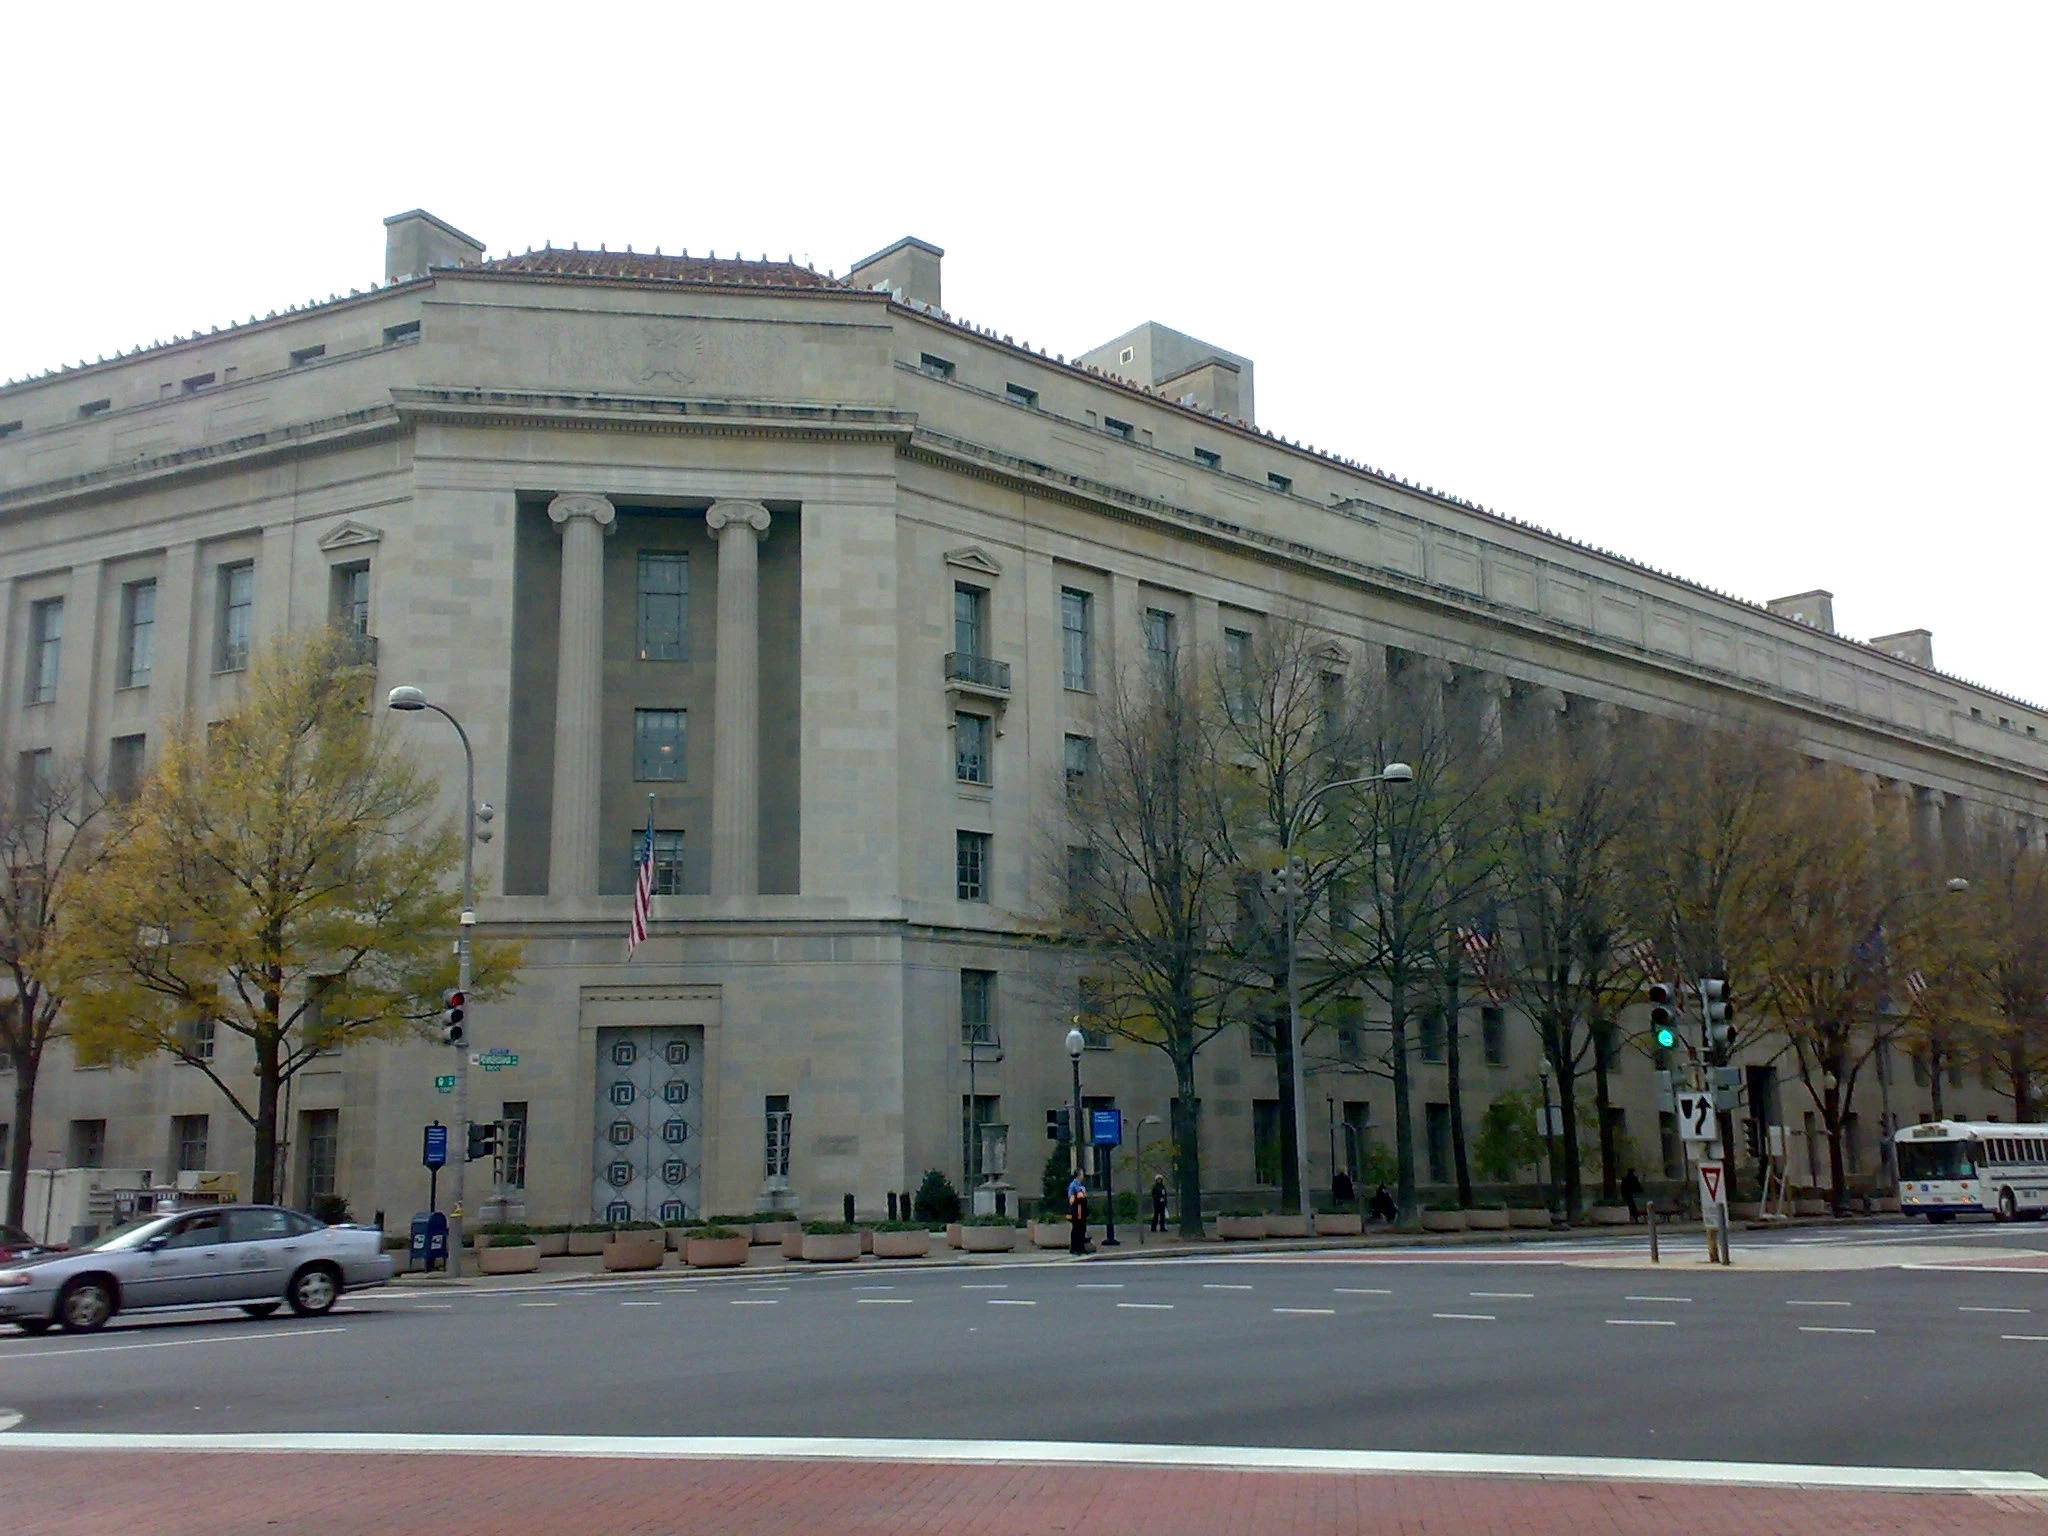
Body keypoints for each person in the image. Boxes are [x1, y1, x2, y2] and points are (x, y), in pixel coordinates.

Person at [1067, 1172, 1091, 1255]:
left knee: (1082, 1229)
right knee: (1077, 1229)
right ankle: (1075, 1247)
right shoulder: (1074, 1185)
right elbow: (1072, 1198)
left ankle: (1080, 1246)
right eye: (1081, 1174)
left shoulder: (1080, 1185)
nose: (1083, 1176)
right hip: (1077, 1210)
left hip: (1082, 1210)